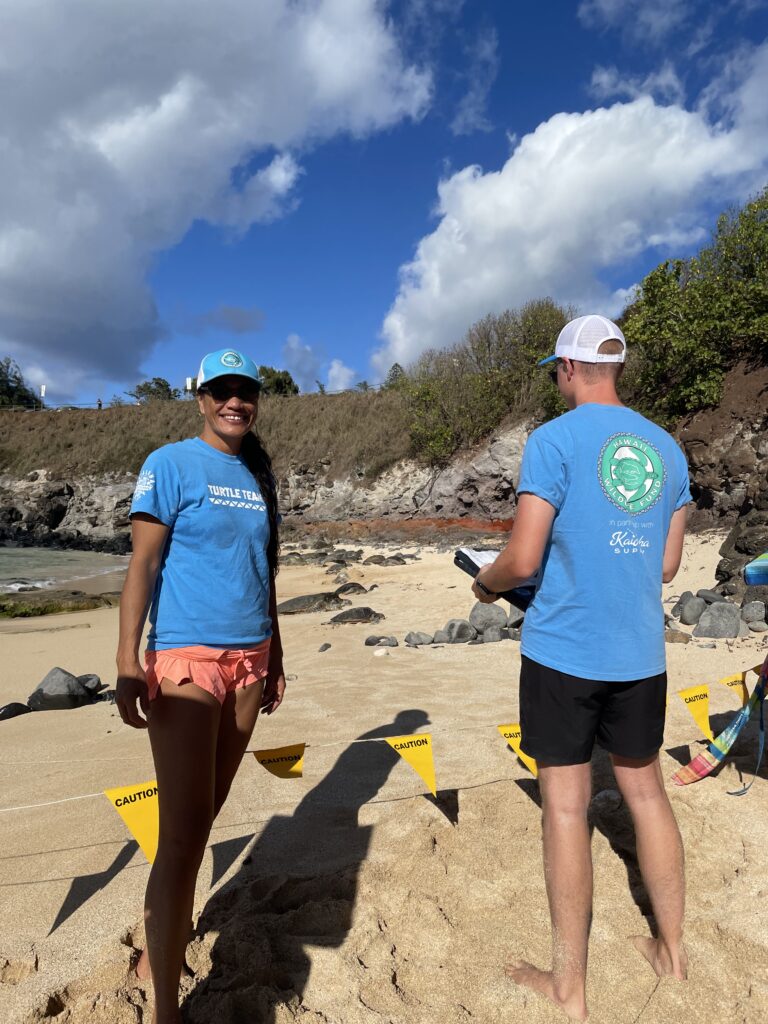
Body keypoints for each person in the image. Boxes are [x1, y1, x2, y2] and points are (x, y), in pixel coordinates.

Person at [472, 315, 690, 1021]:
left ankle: (570, 985)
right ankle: (673, 952)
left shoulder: (554, 441)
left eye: (553, 371)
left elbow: (524, 558)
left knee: (566, 809)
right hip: (639, 654)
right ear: (614, 368)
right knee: (647, 795)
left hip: (564, 651)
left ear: (567, 369)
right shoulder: (665, 449)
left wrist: (486, 584)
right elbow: (665, 563)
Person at [115, 348, 285, 1024]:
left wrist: (277, 652)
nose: (234, 402)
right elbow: (144, 564)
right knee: (183, 837)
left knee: (203, 818)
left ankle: (157, 942)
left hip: (251, 661)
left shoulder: (259, 475)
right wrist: (128, 661)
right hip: (186, 661)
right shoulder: (170, 463)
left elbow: (260, 569)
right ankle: (164, 1007)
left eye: (244, 391)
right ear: (200, 397)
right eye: (221, 391)